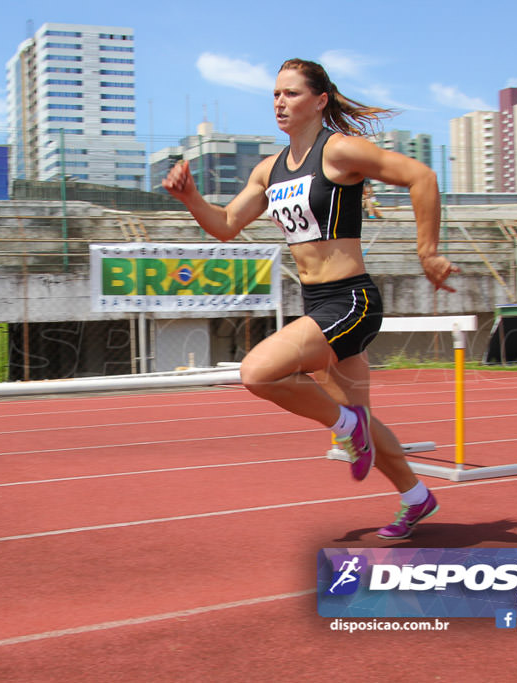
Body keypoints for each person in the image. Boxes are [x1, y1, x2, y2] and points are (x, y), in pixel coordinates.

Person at [162, 58, 459, 540]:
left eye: (292, 94)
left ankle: (346, 426)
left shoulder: (339, 152)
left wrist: (428, 253)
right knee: (361, 423)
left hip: (352, 302)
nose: (280, 102)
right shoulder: (269, 170)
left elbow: (421, 178)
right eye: (275, 95)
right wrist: (192, 197)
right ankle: (416, 497)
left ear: (320, 101)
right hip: (315, 301)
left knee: (256, 372)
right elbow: (225, 227)